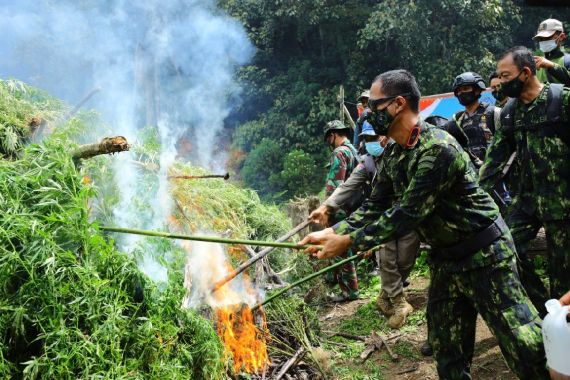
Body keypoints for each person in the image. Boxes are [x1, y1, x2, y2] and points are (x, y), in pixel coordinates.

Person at [301, 69, 548, 379]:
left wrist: (349, 242)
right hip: (446, 261)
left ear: (397, 104)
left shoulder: (436, 149)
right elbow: (376, 204)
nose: (366, 114)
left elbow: (407, 213)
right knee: (448, 356)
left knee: (525, 347)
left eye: (373, 106)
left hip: (487, 256)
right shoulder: (395, 152)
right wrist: (333, 231)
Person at [480, 46, 570, 318]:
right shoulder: (509, 113)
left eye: (505, 76)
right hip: (527, 203)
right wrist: (469, 197)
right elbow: (493, 162)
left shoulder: (561, 100)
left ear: (526, 72)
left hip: (564, 204)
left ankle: (561, 335)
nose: (501, 82)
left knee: (563, 276)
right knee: (502, 250)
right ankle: (546, 310)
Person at [311, 121, 420, 328]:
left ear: (384, 137)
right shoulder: (366, 161)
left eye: (373, 138)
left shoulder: (400, 154)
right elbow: (348, 184)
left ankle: (384, 296)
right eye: (366, 139)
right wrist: (326, 206)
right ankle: (399, 303)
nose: (370, 143)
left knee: (405, 259)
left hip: (408, 215)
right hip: (381, 215)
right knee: (387, 260)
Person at [322, 120, 360, 302]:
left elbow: (335, 185)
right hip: (353, 205)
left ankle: (350, 291)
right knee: (347, 245)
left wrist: (327, 208)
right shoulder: (353, 150)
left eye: (329, 137)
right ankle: (337, 281)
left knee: (341, 249)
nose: (329, 141)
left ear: (334, 134)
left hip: (341, 207)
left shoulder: (339, 152)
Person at [533, 18, 570, 87]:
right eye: (541, 39)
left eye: (548, 37)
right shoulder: (537, 64)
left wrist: (551, 66)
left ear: (561, 37)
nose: (543, 41)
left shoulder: (567, 60)